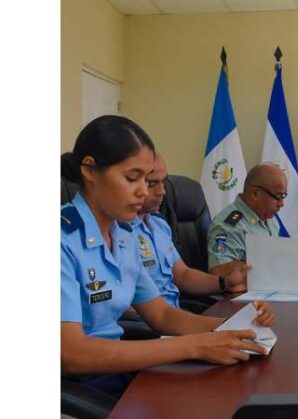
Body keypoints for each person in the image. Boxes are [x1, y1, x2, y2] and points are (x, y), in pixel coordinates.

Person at [61, 115, 275, 396]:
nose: (143, 191)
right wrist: (194, 345)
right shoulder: (61, 239)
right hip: (80, 391)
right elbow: (71, 353)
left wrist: (236, 326)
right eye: (132, 178)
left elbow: (161, 314)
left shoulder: (123, 237)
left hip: (118, 374)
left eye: (146, 179)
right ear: (90, 170)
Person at [129, 153, 248, 308]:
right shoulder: (117, 231)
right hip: (148, 320)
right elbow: (119, 304)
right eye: (152, 183)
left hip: (174, 313)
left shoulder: (159, 224)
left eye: (163, 182)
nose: (162, 191)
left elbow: (183, 275)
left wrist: (225, 282)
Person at [207, 163, 287, 276]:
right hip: (251, 287)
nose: (282, 204)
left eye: (283, 196)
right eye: (278, 196)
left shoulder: (269, 219)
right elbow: (219, 271)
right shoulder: (229, 226)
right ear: (255, 193)